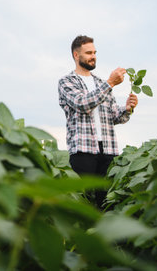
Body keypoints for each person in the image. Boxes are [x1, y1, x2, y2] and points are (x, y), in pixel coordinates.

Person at [58, 35, 138, 208]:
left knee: (107, 203)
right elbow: (82, 104)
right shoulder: (67, 82)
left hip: (108, 150)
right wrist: (110, 83)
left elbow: (115, 116)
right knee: (85, 203)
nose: (93, 56)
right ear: (76, 55)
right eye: (88, 53)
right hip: (83, 151)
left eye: (94, 52)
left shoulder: (101, 83)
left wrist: (128, 108)